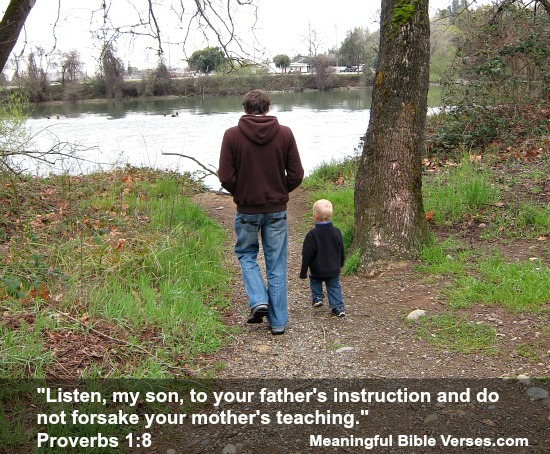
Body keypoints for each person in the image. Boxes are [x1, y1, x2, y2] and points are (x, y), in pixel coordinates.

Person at [218, 89, 304, 335]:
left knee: (246, 255)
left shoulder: (232, 135)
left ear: (245, 108)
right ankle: (277, 323)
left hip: (246, 209)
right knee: (276, 264)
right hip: (277, 210)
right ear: (267, 107)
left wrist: (242, 192)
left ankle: (258, 300)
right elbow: (297, 174)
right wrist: (279, 190)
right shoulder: (285, 134)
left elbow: (225, 176)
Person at [299, 199, 346, 317]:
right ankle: (338, 307)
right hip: (333, 268)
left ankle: (317, 297)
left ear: (315, 216)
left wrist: (303, 272)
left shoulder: (311, 235)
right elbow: (341, 249)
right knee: (334, 286)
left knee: (314, 280)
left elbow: (307, 254)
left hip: (317, 269)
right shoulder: (337, 232)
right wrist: (341, 263)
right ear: (330, 215)